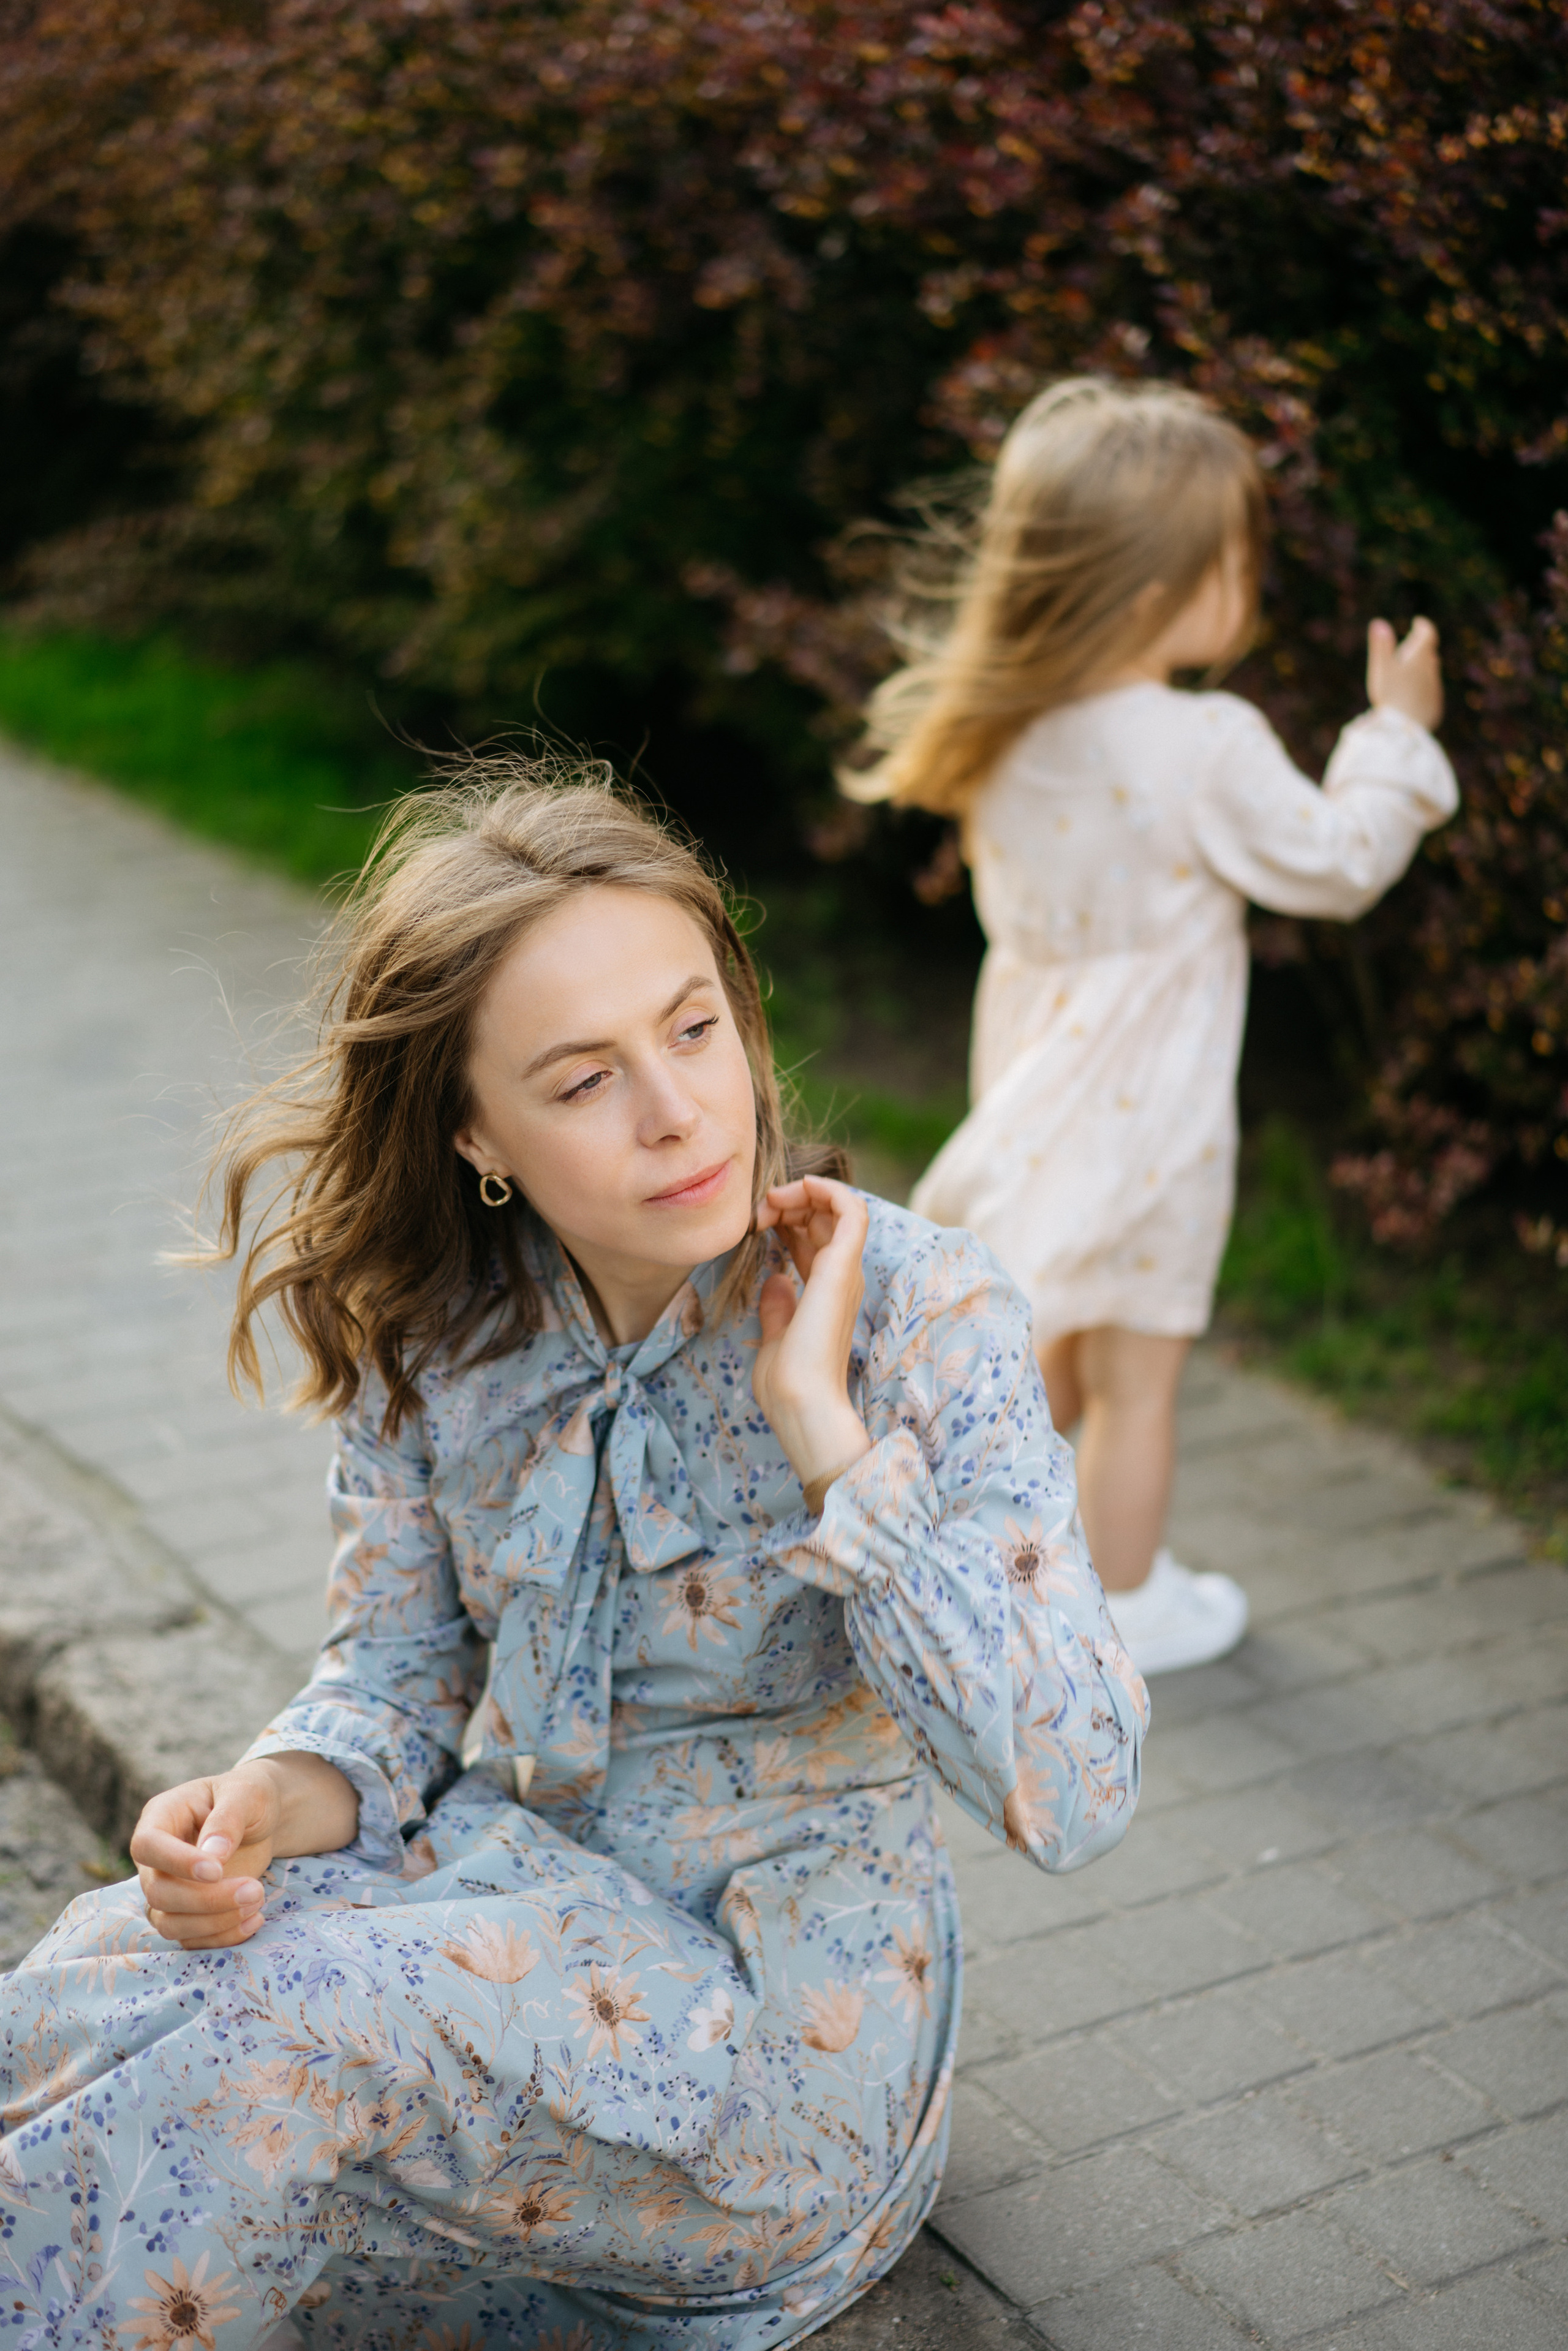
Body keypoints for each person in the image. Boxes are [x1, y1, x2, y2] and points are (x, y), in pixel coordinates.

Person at [0, 761, 1147, 2351]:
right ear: (478, 1126)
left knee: (270, 2040)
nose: (680, 1109)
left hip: (770, 2049)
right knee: (86, 1979)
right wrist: (265, 1799)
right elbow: (395, 1674)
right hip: (492, 1918)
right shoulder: (442, 1330)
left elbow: (1074, 1789)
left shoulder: (918, 1315)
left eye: (692, 1027)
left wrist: (827, 1435)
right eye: (583, 1076)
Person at [845, 376, 1458, 1677]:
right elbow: (1339, 860)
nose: (1248, 581)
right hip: (1161, 1106)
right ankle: (1118, 1609)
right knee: (1140, 1378)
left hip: (1032, 1080)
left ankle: (1010, 1564)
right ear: (1153, 590)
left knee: (1050, 1340)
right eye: (1233, 558)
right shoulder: (1200, 741)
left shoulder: (998, 723)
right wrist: (1392, 739)